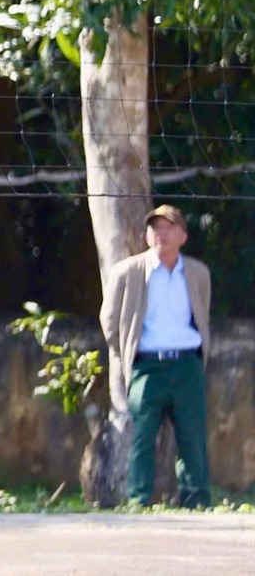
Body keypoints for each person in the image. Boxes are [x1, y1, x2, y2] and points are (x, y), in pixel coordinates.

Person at [99, 202, 211, 508]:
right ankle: (139, 500)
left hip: (187, 363)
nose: (161, 233)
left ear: (183, 236)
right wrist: (123, 355)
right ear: (146, 235)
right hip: (147, 365)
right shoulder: (128, 271)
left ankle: (197, 500)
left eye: (169, 227)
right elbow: (109, 319)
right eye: (155, 228)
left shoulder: (198, 272)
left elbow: (202, 313)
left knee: (192, 437)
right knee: (142, 437)